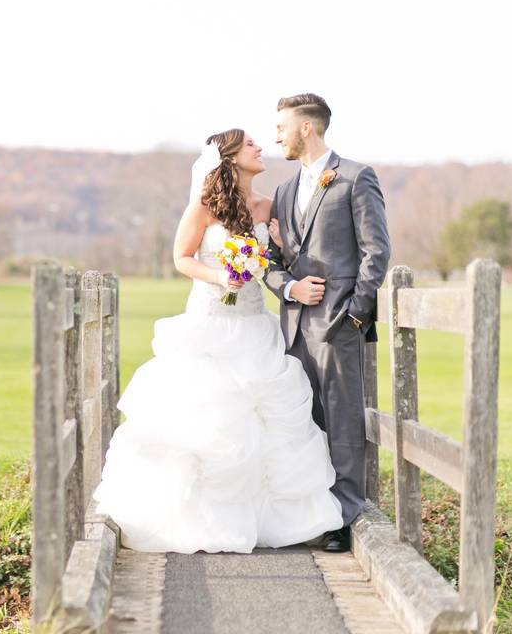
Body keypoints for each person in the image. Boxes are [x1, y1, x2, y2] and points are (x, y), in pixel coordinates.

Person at [91, 128, 343, 554]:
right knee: (210, 418)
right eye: (250, 145)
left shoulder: (267, 206)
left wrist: (280, 248)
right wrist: (221, 275)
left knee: (267, 418)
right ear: (228, 157)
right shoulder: (204, 206)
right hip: (209, 322)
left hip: (253, 325)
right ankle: (202, 518)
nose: (260, 148)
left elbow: (274, 265)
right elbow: (182, 258)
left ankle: (273, 521)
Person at [264, 93, 390, 552]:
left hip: (339, 324)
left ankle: (344, 516)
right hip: (293, 326)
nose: (275, 135)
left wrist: (356, 314)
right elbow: (272, 260)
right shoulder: (282, 191)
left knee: (342, 421)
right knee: (304, 423)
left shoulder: (356, 178)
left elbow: (376, 252)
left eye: (281, 127)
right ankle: (308, 513)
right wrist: (288, 288)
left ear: (307, 128)